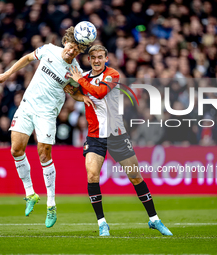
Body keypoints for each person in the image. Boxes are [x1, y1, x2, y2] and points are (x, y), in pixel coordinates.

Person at [0, 27, 93, 228]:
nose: (71, 52)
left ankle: (51, 205)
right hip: (27, 105)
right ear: (66, 42)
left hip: (47, 113)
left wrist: (84, 98)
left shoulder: (76, 71)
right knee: (16, 149)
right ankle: (30, 193)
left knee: (44, 155)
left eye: (76, 51)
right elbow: (28, 58)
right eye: (71, 47)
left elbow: (73, 91)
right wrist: (7, 73)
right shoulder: (49, 50)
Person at [65, 45, 173, 236]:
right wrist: (80, 96)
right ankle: (102, 224)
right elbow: (71, 90)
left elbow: (99, 92)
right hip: (95, 136)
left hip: (117, 135)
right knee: (92, 176)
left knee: (136, 177)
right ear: (89, 60)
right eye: (93, 58)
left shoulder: (112, 74)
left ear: (106, 59)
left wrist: (80, 81)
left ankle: (154, 219)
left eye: (100, 57)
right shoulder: (83, 77)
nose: (97, 60)